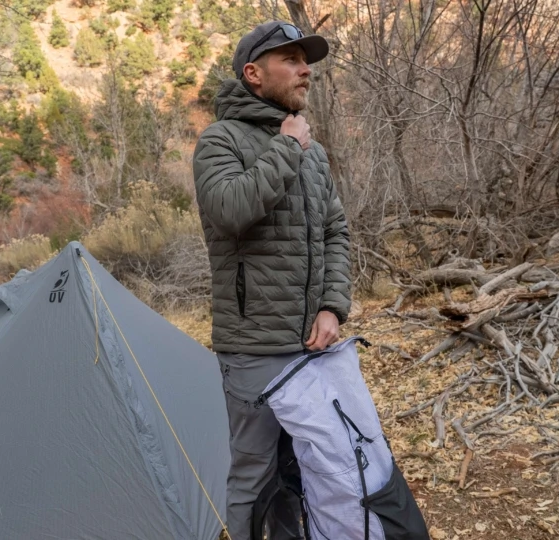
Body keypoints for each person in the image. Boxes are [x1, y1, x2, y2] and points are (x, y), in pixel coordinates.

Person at [192, 20, 352, 540]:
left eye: (308, 61)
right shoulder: (220, 140)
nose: (306, 70)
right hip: (254, 348)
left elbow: (334, 231)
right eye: (292, 59)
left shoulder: (315, 151)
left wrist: (332, 306)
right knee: (252, 476)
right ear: (254, 74)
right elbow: (230, 210)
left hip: (311, 346)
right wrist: (286, 148)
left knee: (304, 471)